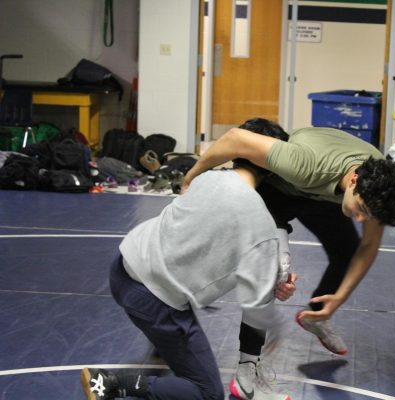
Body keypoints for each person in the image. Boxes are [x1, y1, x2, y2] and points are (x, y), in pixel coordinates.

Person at [81, 121, 298, 400]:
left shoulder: (203, 178)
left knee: (180, 278)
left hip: (123, 267)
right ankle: (111, 384)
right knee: (207, 394)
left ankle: (164, 346)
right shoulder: (260, 227)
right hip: (153, 303)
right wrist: (278, 291)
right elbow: (258, 304)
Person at [182, 119, 395, 356]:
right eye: (362, 210)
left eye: (367, 215)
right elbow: (235, 137)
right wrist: (192, 176)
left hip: (323, 195)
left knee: (347, 251)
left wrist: (338, 299)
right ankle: (182, 310)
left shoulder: (376, 191)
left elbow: (368, 246)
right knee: (268, 271)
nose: (360, 220)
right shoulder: (305, 164)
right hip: (280, 187)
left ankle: (317, 316)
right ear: (354, 180)